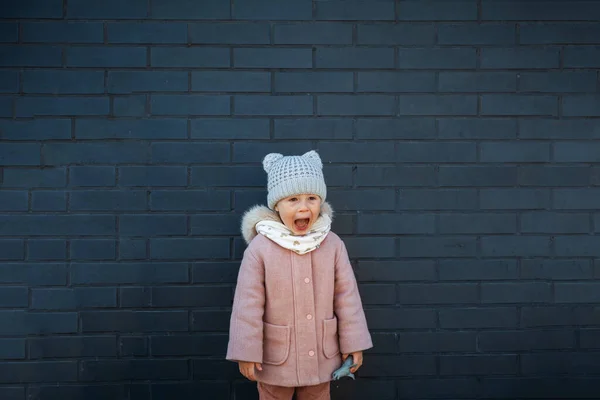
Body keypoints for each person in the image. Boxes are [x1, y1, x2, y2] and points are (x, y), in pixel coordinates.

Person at [226, 150, 373, 400]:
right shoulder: (260, 248)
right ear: (277, 205)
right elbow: (247, 304)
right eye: (293, 199)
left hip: (320, 358)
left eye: (312, 198)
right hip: (275, 361)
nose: (304, 207)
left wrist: (354, 344)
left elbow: (347, 298)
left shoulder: (333, 244)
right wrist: (246, 351)